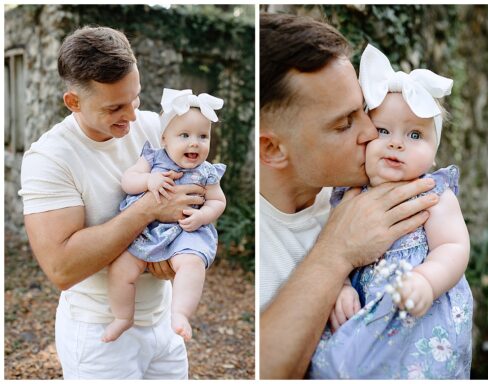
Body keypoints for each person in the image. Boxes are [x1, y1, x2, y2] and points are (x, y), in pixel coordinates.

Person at [257, 13, 439, 379]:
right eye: (344, 124)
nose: (372, 131)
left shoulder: (376, 189)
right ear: (273, 149)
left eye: (364, 110)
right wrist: (335, 252)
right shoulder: (256, 239)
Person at [19, 26, 203, 379]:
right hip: (99, 336)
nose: (133, 116)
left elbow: (195, 192)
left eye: (135, 98)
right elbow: (62, 267)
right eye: (115, 107)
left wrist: (179, 251)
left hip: (164, 324)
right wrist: (149, 208)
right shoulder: (50, 158)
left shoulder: (153, 127)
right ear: (73, 102)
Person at [307, 44, 472, 379]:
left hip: (420, 313)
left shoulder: (434, 194)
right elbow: (326, 248)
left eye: (415, 135)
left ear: (434, 154)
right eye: (382, 131)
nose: (397, 143)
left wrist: (427, 280)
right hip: (360, 314)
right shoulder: (347, 193)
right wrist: (339, 287)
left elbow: (453, 247)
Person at [103, 89, 227, 343]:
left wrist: (203, 216)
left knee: (192, 264)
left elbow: (218, 201)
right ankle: (122, 317)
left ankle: (180, 313)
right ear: (164, 139)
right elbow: (128, 181)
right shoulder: (153, 159)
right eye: (184, 135)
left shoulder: (207, 173)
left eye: (203, 136)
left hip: (186, 231)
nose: (195, 142)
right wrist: (149, 180)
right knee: (120, 269)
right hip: (146, 230)